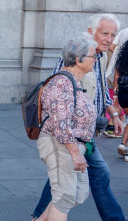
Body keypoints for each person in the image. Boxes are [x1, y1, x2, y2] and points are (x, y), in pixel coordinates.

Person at [32, 13, 126, 221]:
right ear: (91, 31)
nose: (109, 39)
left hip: (83, 135)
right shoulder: (80, 57)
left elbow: (101, 92)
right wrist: (74, 151)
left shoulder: (97, 57)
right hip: (70, 136)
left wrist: (114, 114)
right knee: (82, 183)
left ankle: (38, 217)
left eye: (113, 34)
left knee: (66, 184)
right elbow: (59, 102)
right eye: (105, 33)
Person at [36, 36, 97, 221]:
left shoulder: (73, 81)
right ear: (78, 60)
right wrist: (75, 153)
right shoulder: (62, 83)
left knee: (78, 194)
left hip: (72, 145)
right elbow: (61, 125)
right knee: (64, 198)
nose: (96, 60)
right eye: (94, 56)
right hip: (60, 145)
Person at [104, 28, 128, 138]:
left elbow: (112, 47)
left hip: (122, 84)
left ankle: (112, 126)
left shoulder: (124, 31)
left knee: (118, 104)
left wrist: (119, 55)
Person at [114, 40, 128, 162]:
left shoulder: (122, 61)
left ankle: (123, 144)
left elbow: (116, 76)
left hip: (123, 95)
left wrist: (115, 95)